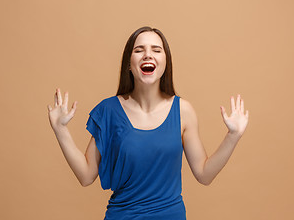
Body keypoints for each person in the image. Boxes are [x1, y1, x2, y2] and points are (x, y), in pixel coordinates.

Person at [47, 26, 249, 220]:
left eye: (156, 50)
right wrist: (60, 129)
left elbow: (204, 174)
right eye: (139, 50)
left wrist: (233, 136)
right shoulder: (109, 111)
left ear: (165, 62)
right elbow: (86, 176)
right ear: (129, 63)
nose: (148, 54)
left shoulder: (183, 111)